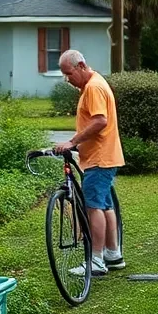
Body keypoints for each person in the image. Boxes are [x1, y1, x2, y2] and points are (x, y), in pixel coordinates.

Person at [53, 49, 124, 277]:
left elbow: (100, 121)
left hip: (99, 158)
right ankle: (113, 254)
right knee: (105, 206)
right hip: (104, 156)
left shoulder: (93, 87)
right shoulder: (94, 84)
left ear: (81, 66)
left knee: (94, 207)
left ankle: (96, 260)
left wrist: (73, 142)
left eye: (69, 73)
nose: (68, 79)